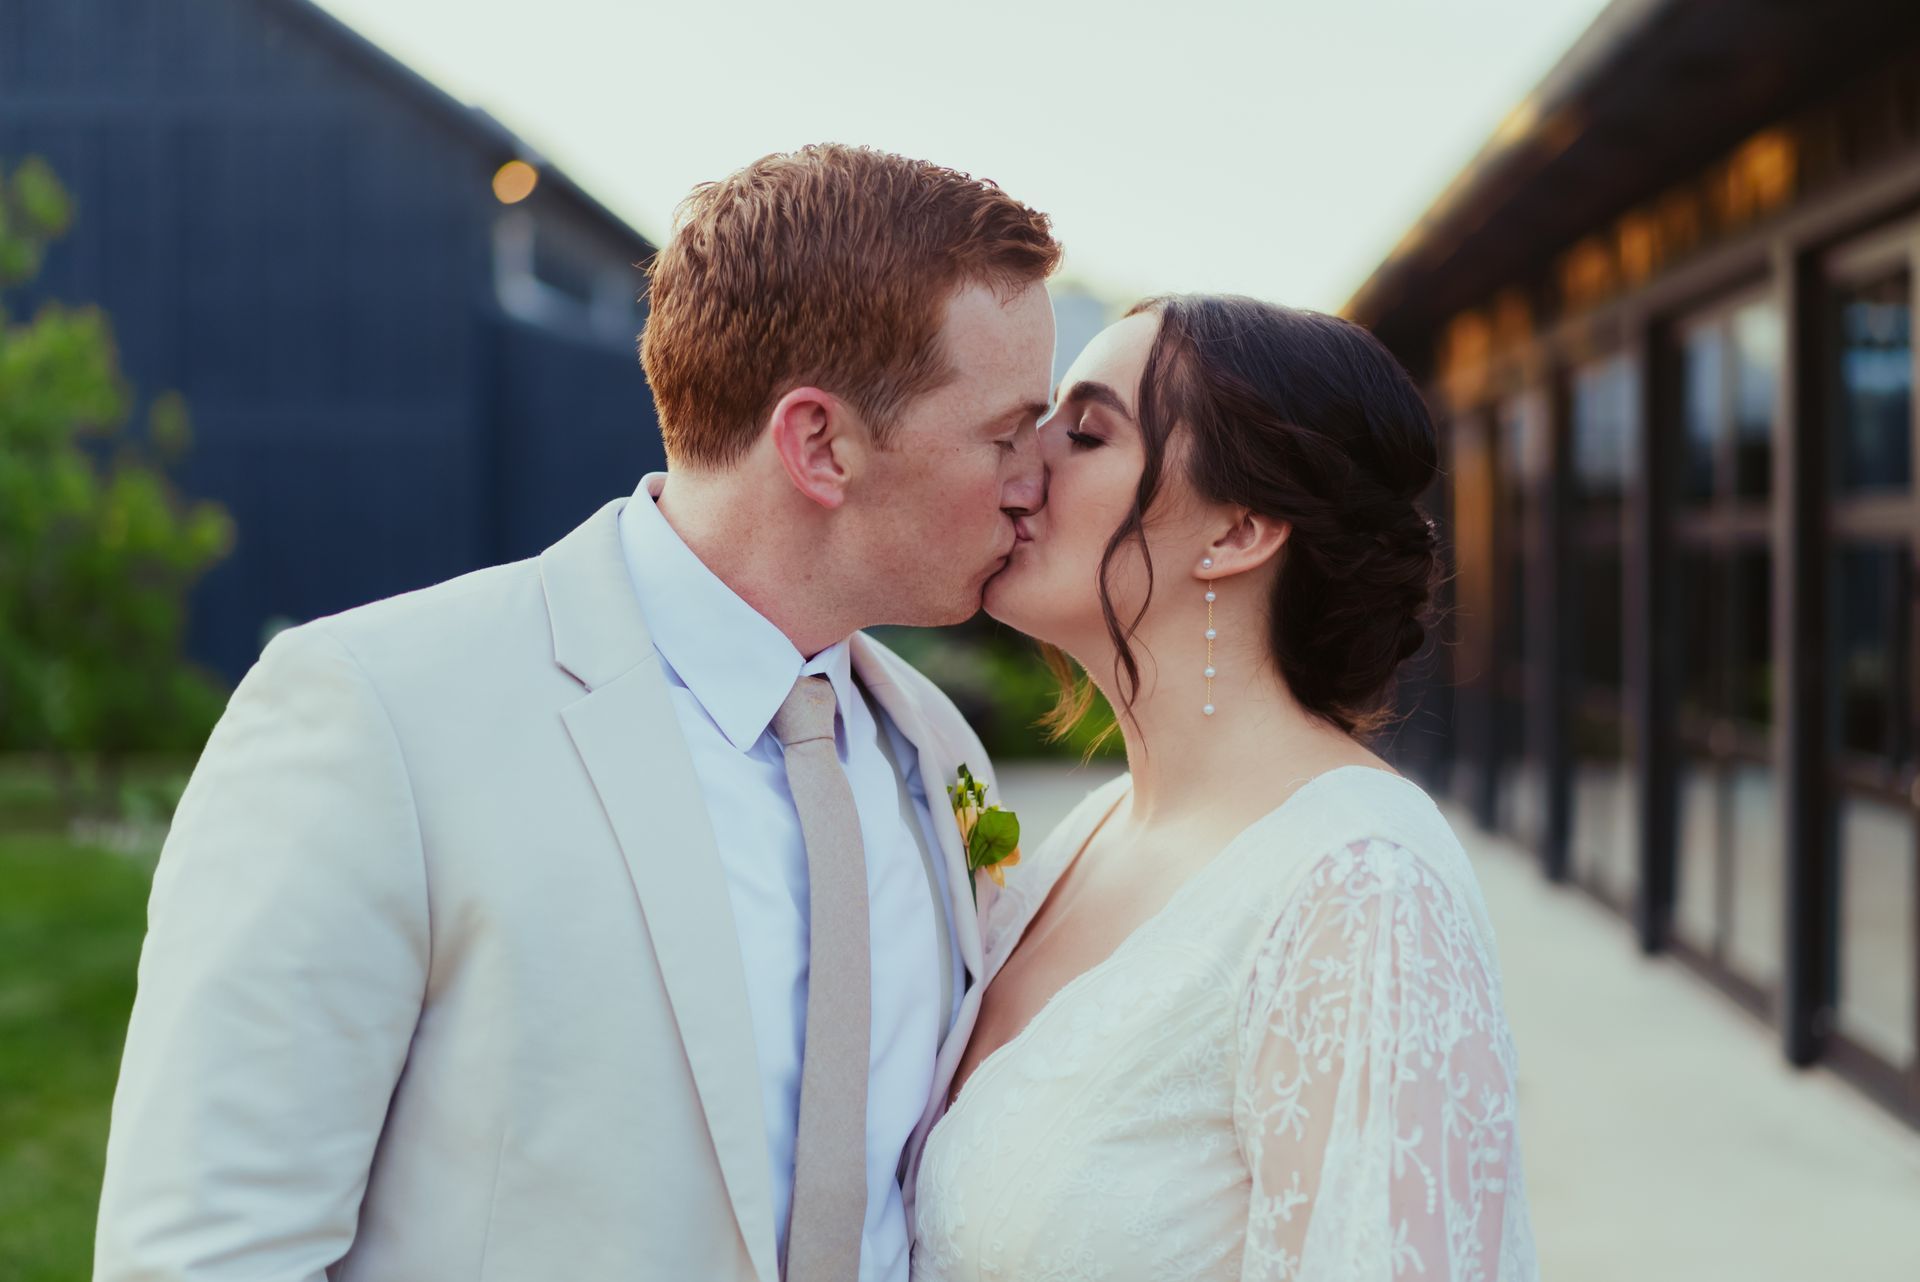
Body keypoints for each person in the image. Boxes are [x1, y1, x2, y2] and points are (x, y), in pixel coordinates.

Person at [94, 144, 1059, 1282]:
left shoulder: (935, 749)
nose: (1035, 477)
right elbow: (210, 1253)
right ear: (820, 444)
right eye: (1005, 434)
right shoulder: (379, 715)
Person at [912, 296, 1538, 1281]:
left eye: (1084, 433)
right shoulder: (1095, 832)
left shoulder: (1364, 895)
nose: (1018, 467)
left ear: (1238, 530)